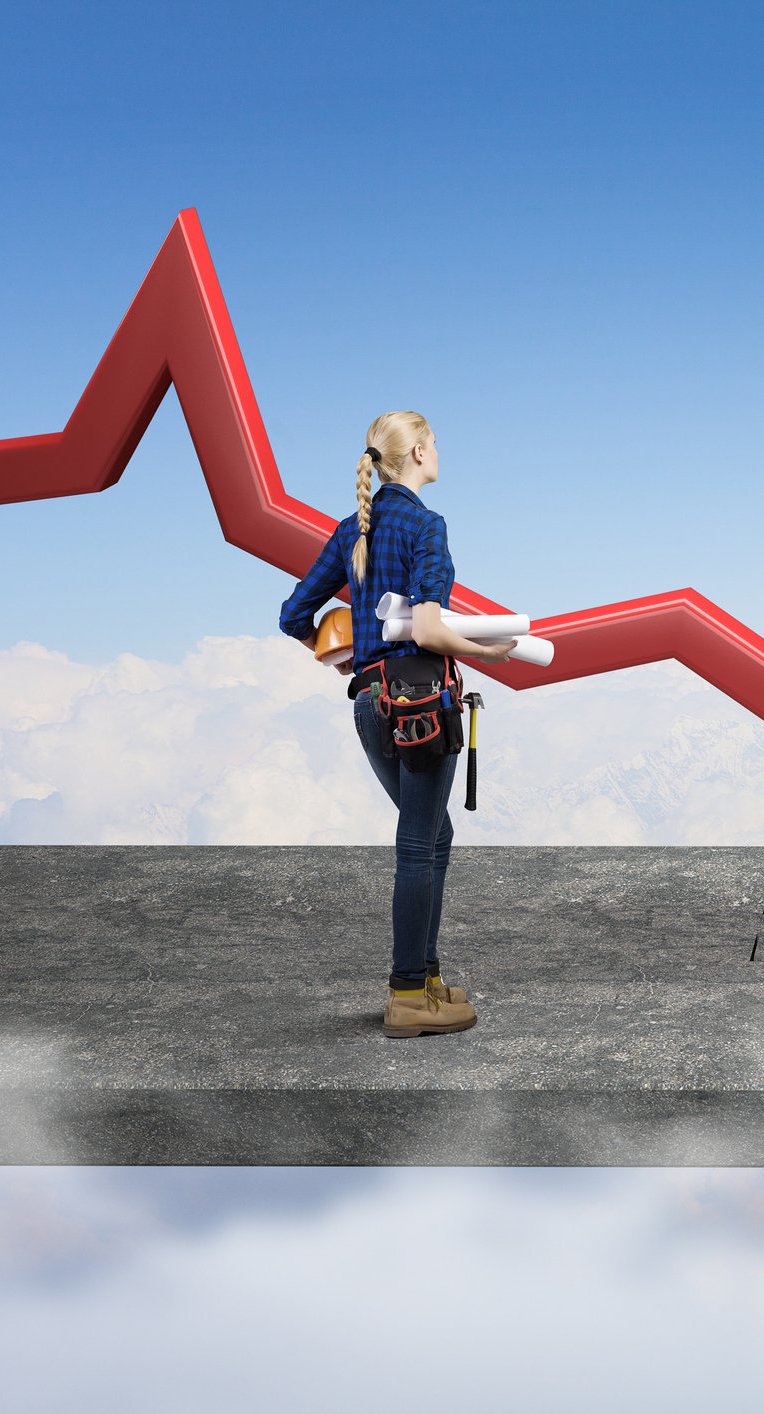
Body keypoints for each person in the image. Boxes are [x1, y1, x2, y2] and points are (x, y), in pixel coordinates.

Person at [277, 411, 516, 1039]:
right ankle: (408, 993)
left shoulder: (354, 529)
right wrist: (493, 652)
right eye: (434, 441)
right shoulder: (425, 526)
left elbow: (293, 614)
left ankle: (426, 977)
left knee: (433, 834)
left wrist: (339, 656)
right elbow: (433, 629)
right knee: (419, 840)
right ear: (414, 453)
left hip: (370, 705)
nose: (439, 450)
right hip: (421, 707)